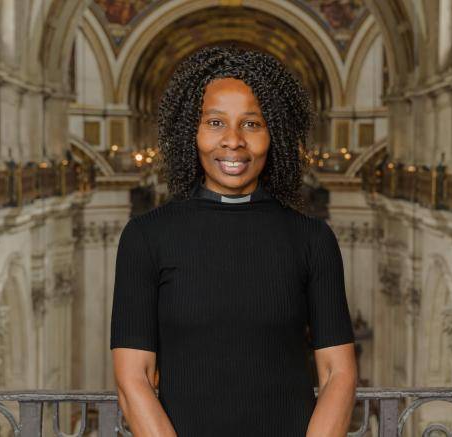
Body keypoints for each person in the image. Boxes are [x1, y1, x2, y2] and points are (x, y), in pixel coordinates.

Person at [110, 45, 357, 437]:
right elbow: (132, 379)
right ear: (191, 132)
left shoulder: (313, 239)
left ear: (273, 133)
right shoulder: (145, 238)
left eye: (252, 124)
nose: (233, 141)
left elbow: (337, 374)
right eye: (214, 123)